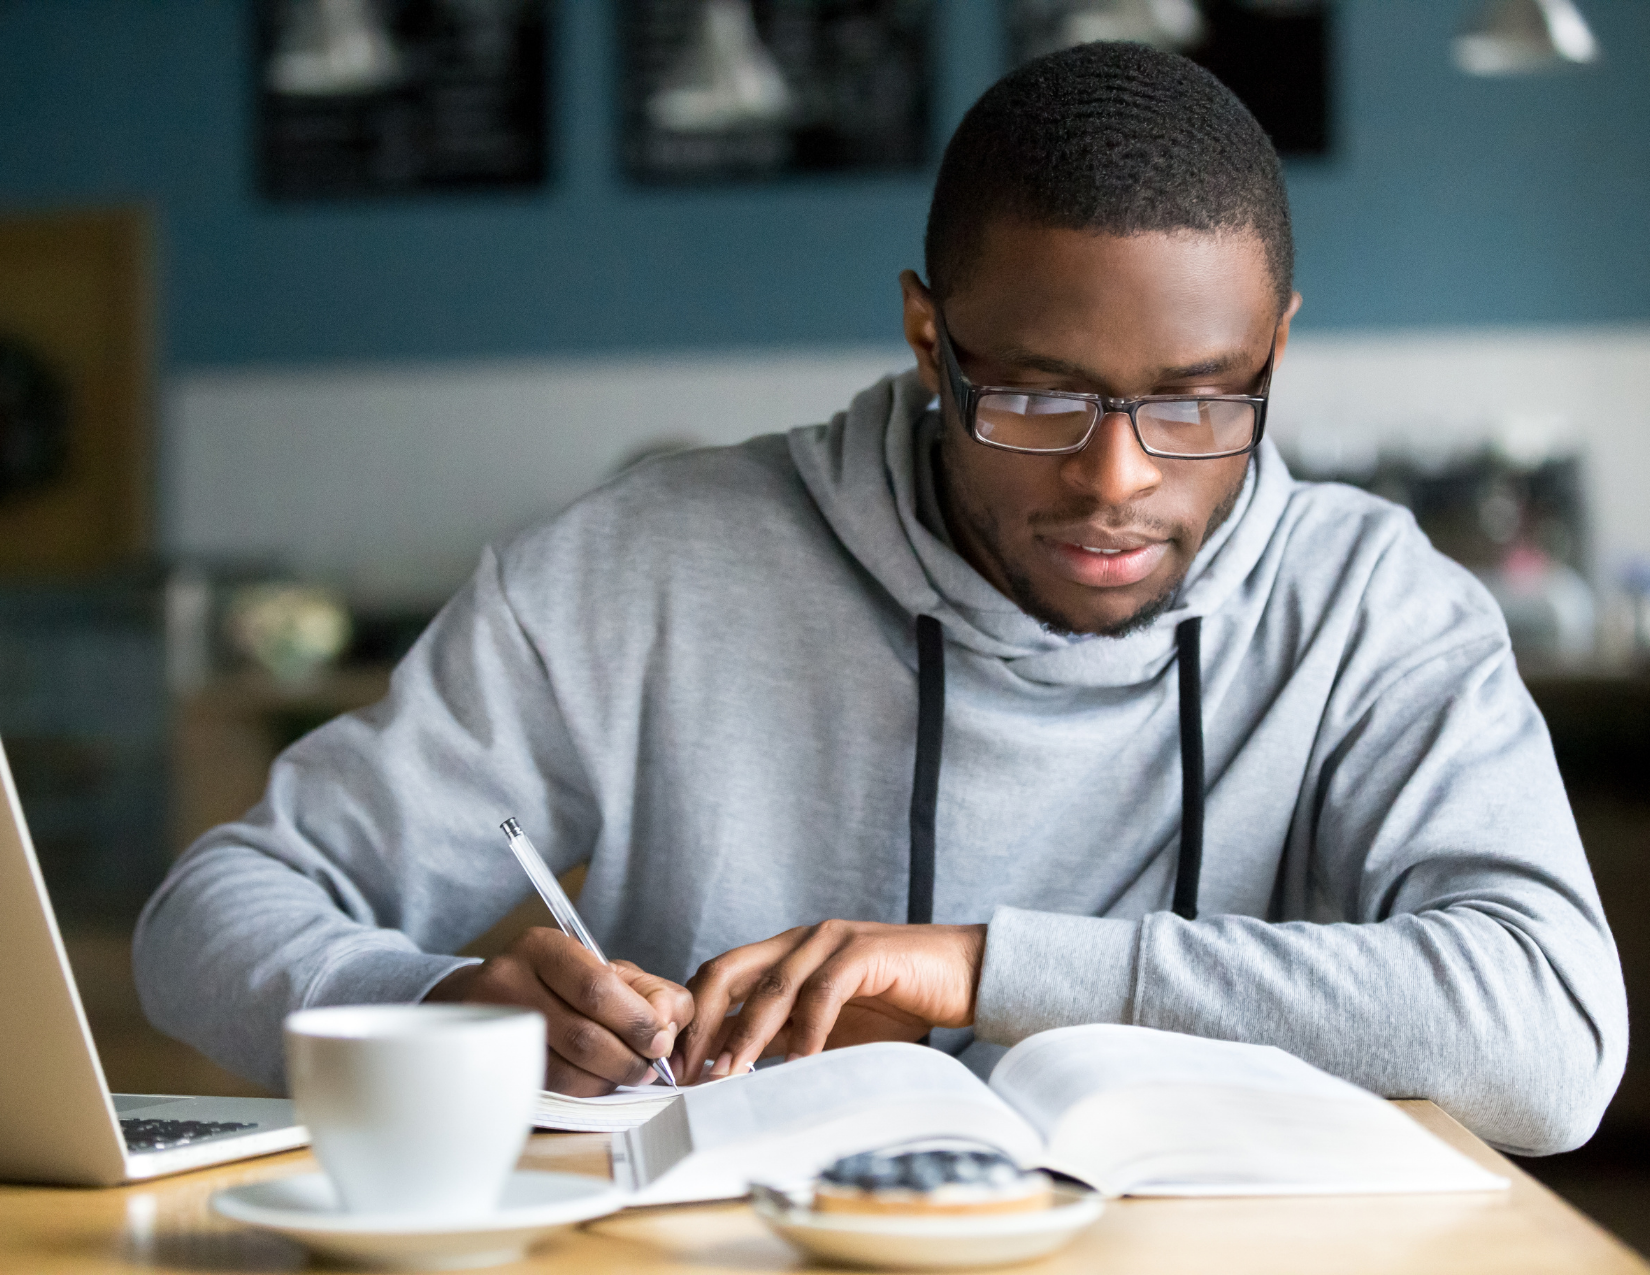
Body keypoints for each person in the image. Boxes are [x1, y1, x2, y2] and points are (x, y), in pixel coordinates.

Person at [135, 42, 1625, 1157]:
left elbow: (1551, 1044)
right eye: (1038, 394)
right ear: (930, 334)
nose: (1116, 479)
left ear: (1274, 347)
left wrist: (978, 964)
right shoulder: (641, 567)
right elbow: (208, 914)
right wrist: (445, 1000)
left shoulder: (1370, 607)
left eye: (1196, 401)